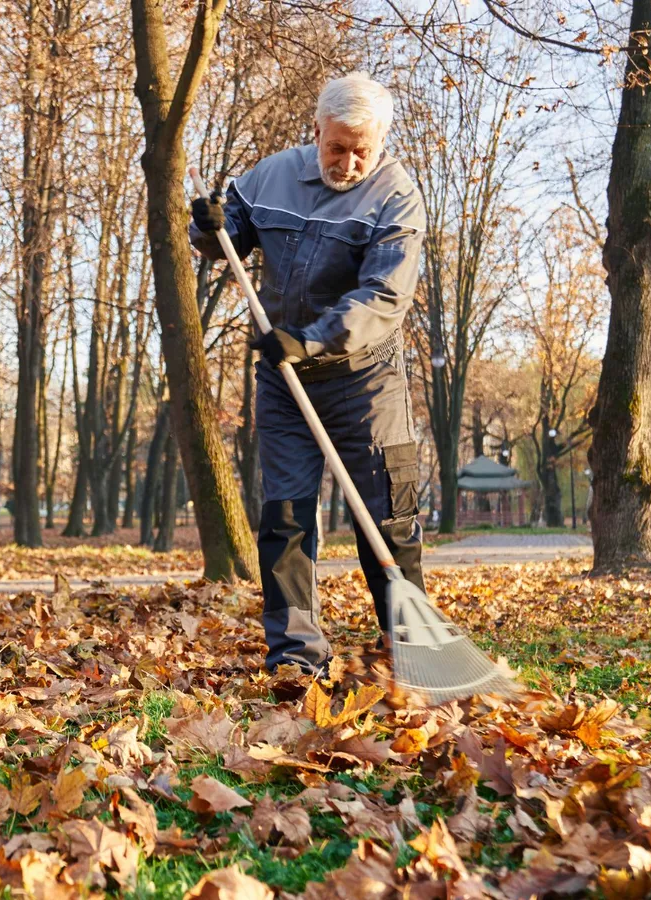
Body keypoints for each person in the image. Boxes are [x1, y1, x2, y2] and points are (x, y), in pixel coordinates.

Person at [189, 72, 426, 675]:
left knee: (387, 520)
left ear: (381, 144)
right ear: (316, 129)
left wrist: (312, 341)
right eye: (336, 146)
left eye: (361, 150)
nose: (347, 162)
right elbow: (227, 239)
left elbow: (384, 296)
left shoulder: (396, 197)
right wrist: (209, 225)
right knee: (287, 519)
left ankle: (415, 649)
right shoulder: (269, 176)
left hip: (364, 383)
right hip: (283, 384)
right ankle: (297, 657)